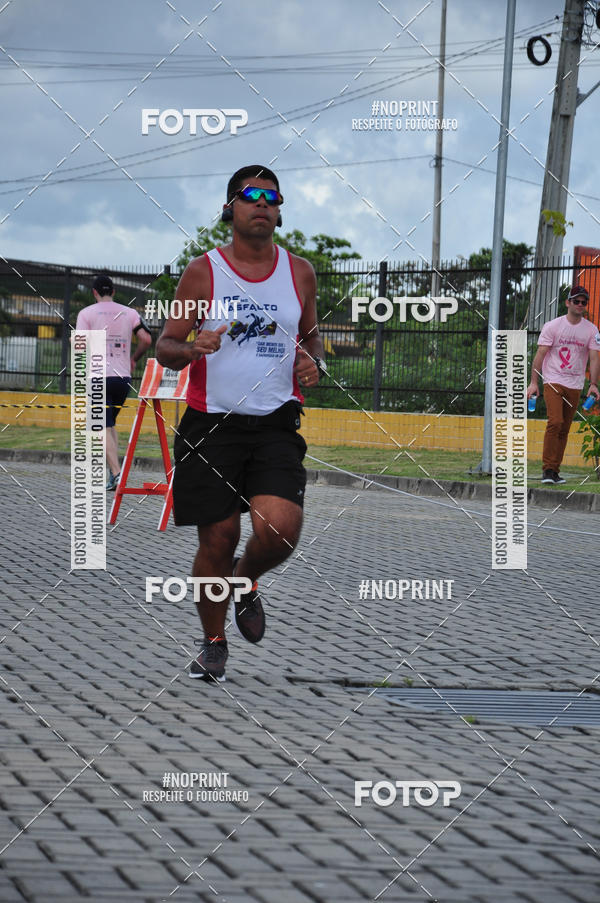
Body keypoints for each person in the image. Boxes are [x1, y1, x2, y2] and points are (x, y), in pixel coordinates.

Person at [156, 164, 327, 682]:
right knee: (218, 538)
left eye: (272, 198)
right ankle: (212, 643)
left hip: (275, 425)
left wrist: (313, 361)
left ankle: (244, 582)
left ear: (279, 211)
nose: (262, 205)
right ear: (230, 207)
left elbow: (314, 338)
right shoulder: (203, 272)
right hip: (212, 427)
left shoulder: (299, 273)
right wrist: (192, 347)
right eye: (251, 196)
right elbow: (166, 346)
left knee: (281, 532)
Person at [75, 274, 152, 490]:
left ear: (94, 292)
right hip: (122, 377)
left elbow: (79, 345)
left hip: (98, 376)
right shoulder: (129, 312)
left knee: (100, 426)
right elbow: (146, 339)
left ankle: (118, 474)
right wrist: (134, 358)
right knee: (108, 425)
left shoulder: (86, 313)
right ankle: (113, 475)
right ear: (114, 292)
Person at [527, 285, 600, 484]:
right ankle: (548, 470)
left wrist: (593, 385)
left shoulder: (591, 330)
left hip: (575, 383)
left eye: (584, 302)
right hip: (553, 379)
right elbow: (540, 355)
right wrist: (534, 382)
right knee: (555, 422)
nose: (580, 304)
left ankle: (554, 471)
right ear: (568, 303)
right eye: (576, 301)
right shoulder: (553, 326)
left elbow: (594, 358)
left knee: (564, 428)